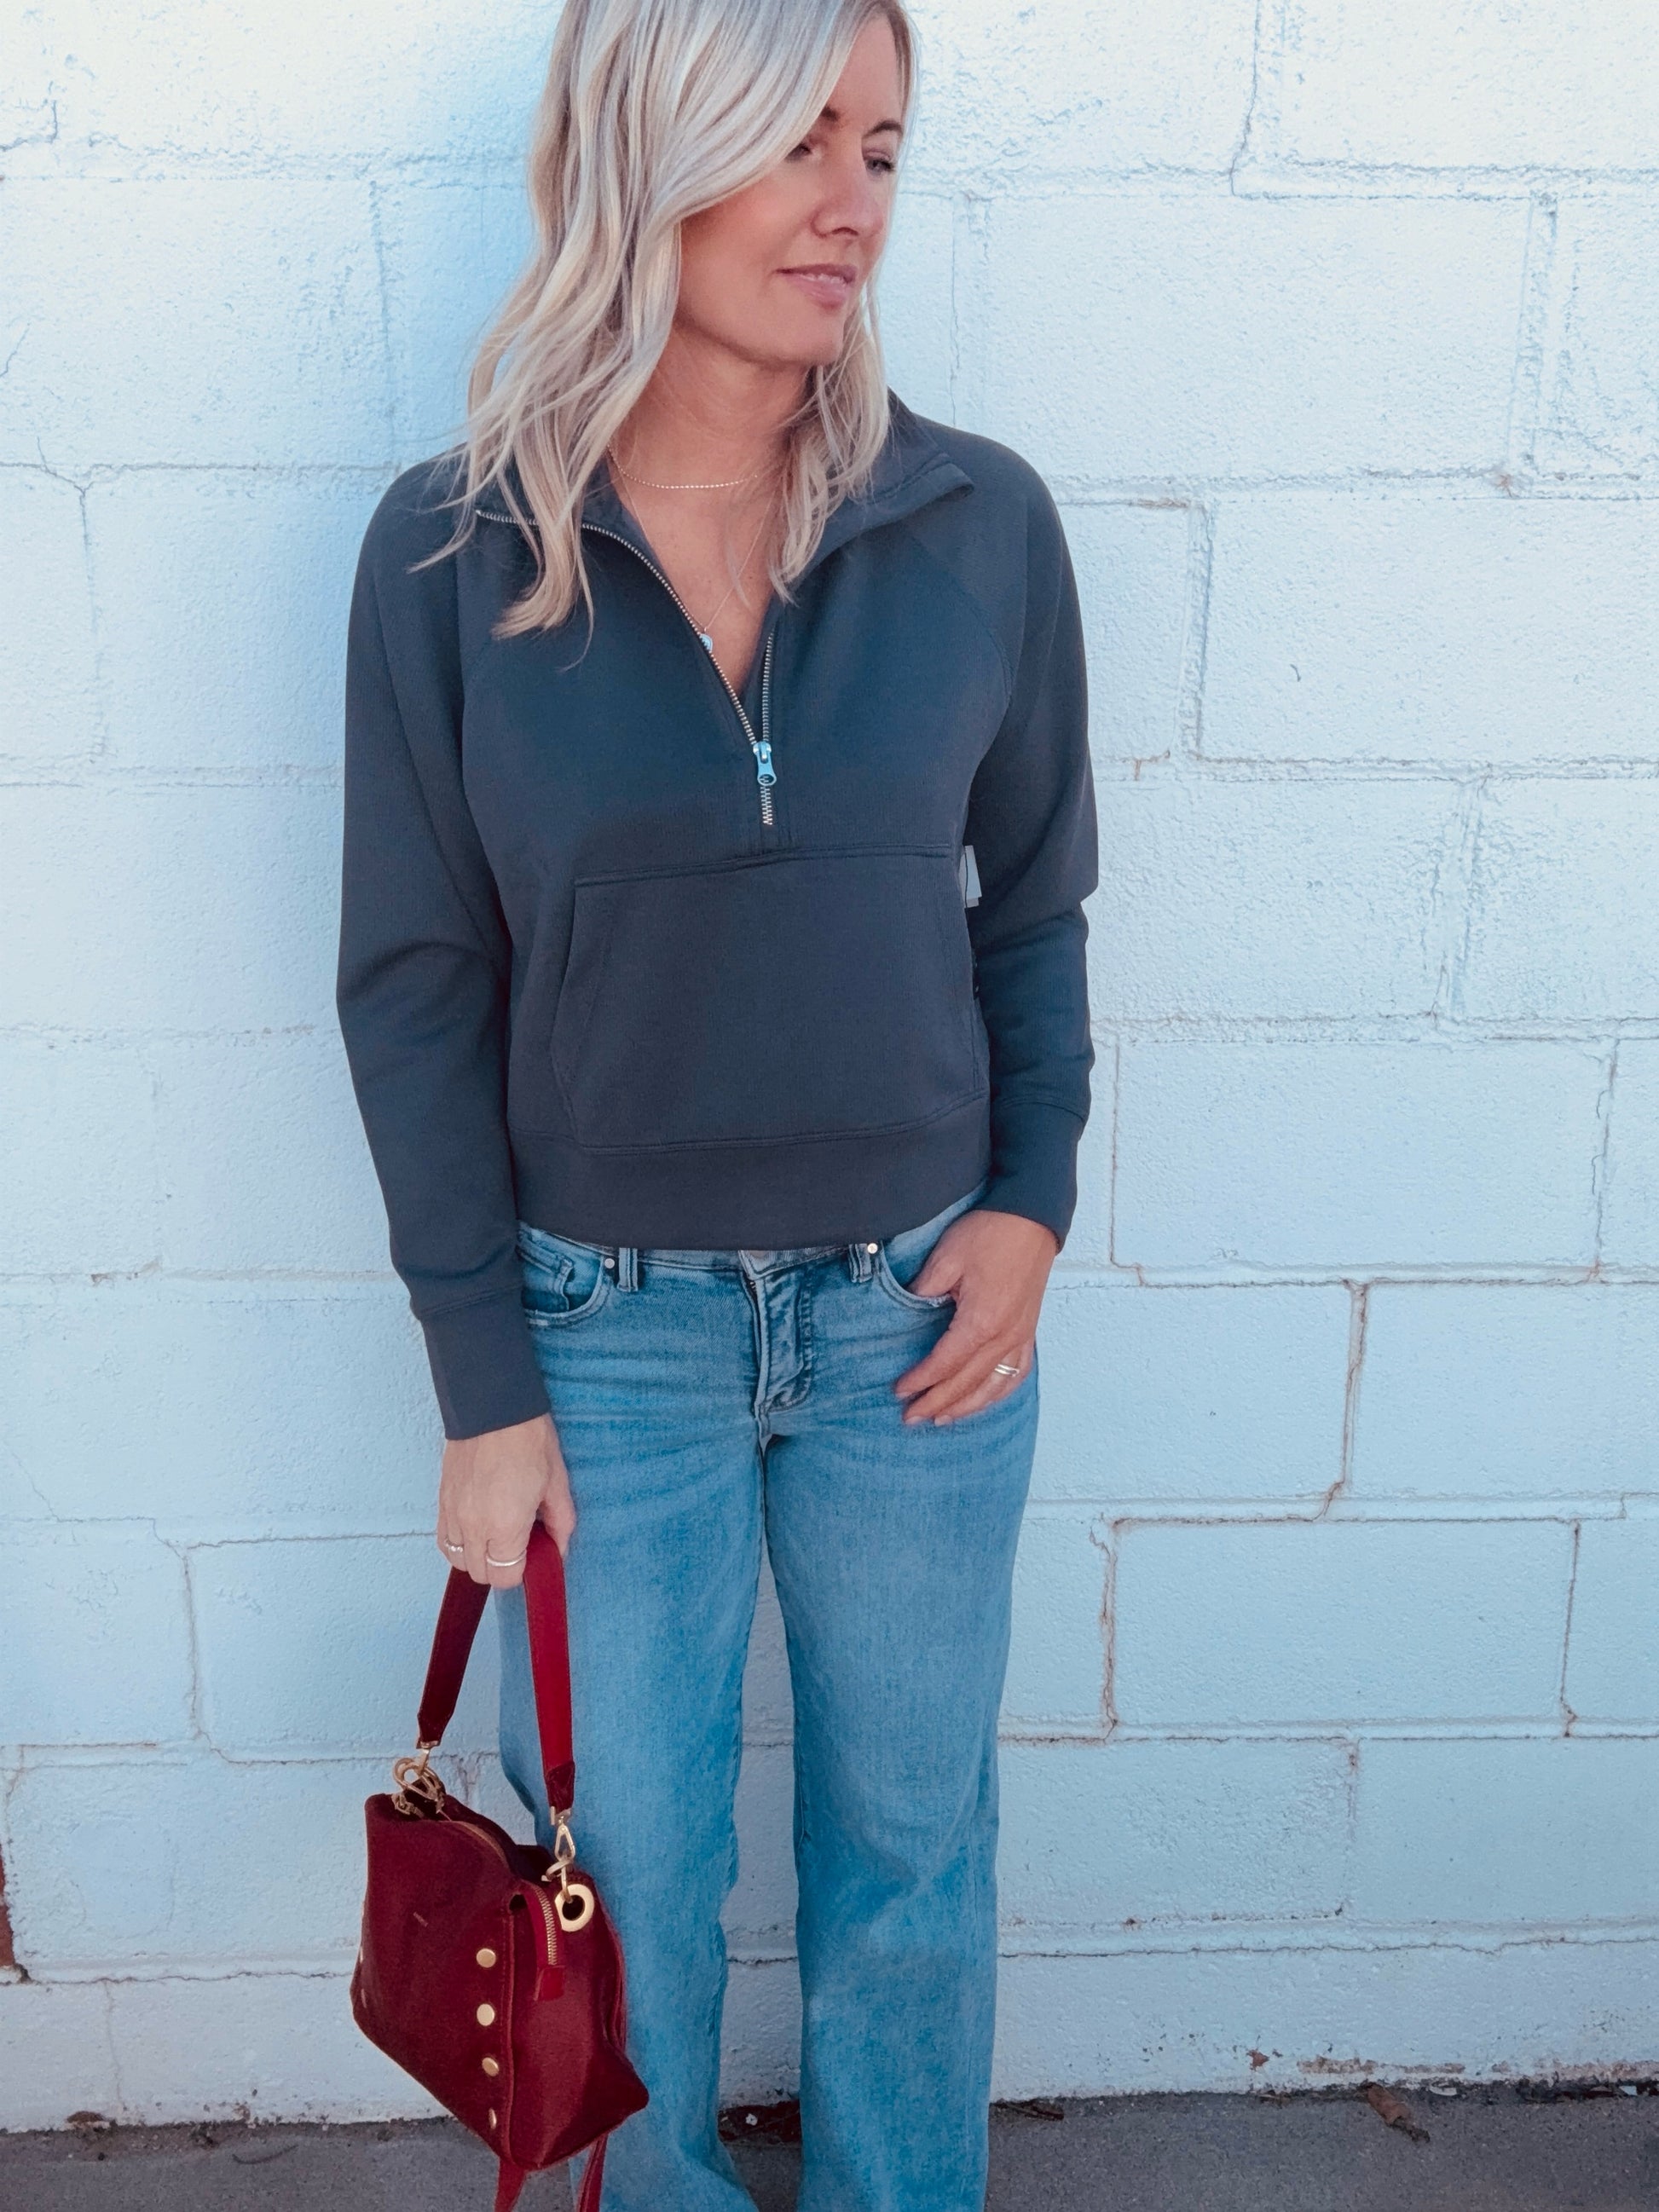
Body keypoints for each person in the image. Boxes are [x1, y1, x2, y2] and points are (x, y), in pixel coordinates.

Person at [336, 0, 1096, 2203]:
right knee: (626, 1888)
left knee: (913, 1861)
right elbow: (412, 986)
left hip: (913, 1324)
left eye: (884, 147)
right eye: (798, 141)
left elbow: (1035, 903)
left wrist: (1031, 1200)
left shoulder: (978, 525)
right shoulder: (450, 554)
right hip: (603, 1341)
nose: (852, 201)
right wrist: (484, 1384)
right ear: (651, 152)